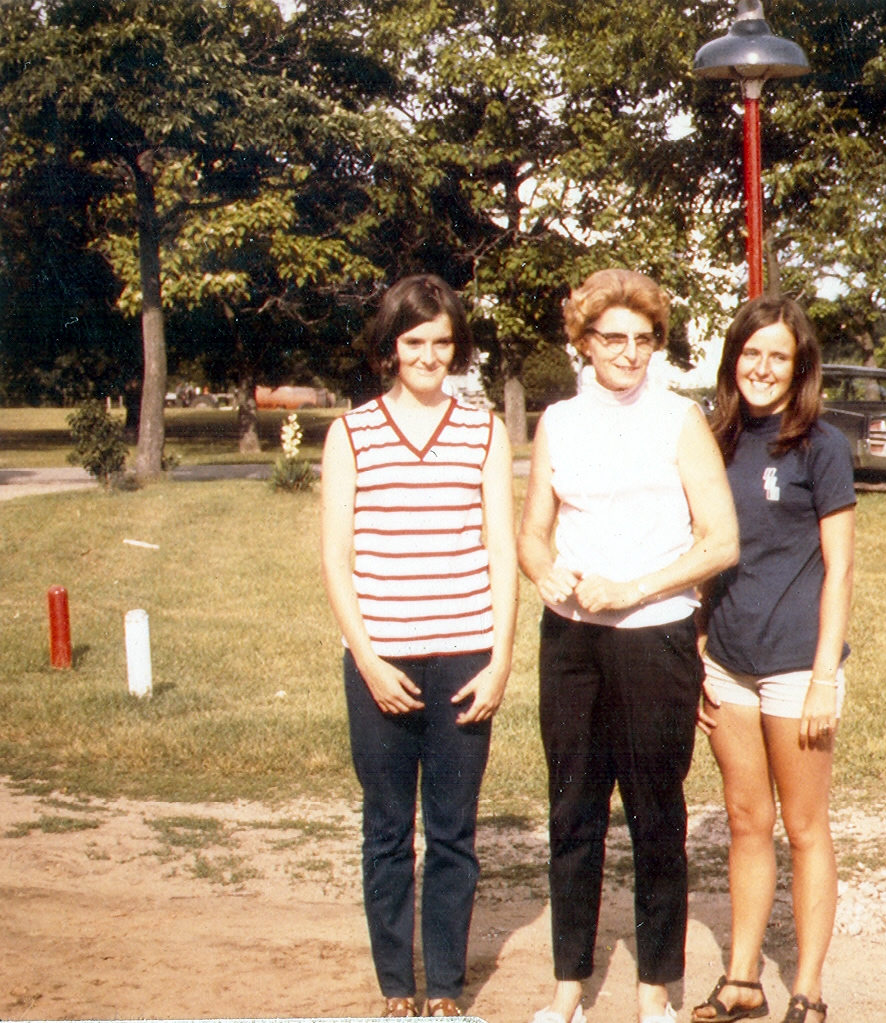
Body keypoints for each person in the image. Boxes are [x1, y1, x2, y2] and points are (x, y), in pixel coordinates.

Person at [517, 268, 740, 1023]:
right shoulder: (557, 421)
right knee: (572, 812)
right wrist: (548, 575)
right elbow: (532, 535)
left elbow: (720, 542)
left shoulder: (679, 421)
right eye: (613, 338)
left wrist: (633, 589)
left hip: (657, 639)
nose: (629, 353)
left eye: (643, 340)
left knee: (655, 816)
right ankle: (567, 992)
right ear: (582, 341)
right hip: (573, 643)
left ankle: (654, 993)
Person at [320, 274, 517, 1019]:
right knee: (385, 827)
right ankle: (396, 985)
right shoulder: (352, 432)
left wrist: (499, 660)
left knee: (451, 831)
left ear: (456, 348)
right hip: (382, 660)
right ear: (390, 349)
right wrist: (368, 659)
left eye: (442, 342)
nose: (429, 356)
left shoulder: (484, 430)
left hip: (465, 654)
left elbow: (501, 550)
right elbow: (335, 559)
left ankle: (445, 984)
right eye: (414, 343)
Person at [694, 294, 856, 1023]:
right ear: (733, 361)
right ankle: (740, 980)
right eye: (750, 354)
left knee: (803, 824)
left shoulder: (822, 447)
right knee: (744, 818)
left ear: (799, 369)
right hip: (727, 662)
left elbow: (841, 568)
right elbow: (701, 552)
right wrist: (699, 648)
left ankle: (808, 988)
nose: (761, 368)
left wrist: (824, 675)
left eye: (778, 357)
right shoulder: (712, 440)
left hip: (797, 665)